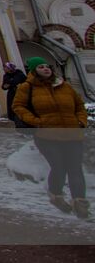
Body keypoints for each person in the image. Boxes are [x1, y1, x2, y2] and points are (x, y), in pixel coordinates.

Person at [12, 56, 88, 217]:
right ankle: (56, 195)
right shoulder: (27, 87)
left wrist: (81, 121)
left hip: (72, 133)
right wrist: (36, 121)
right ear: (33, 71)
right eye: (40, 67)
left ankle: (80, 203)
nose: (45, 69)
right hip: (47, 135)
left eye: (47, 66)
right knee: (59, 167)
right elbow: (18, 106)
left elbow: (79, 105)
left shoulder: (64, 86)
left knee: (75, 169)